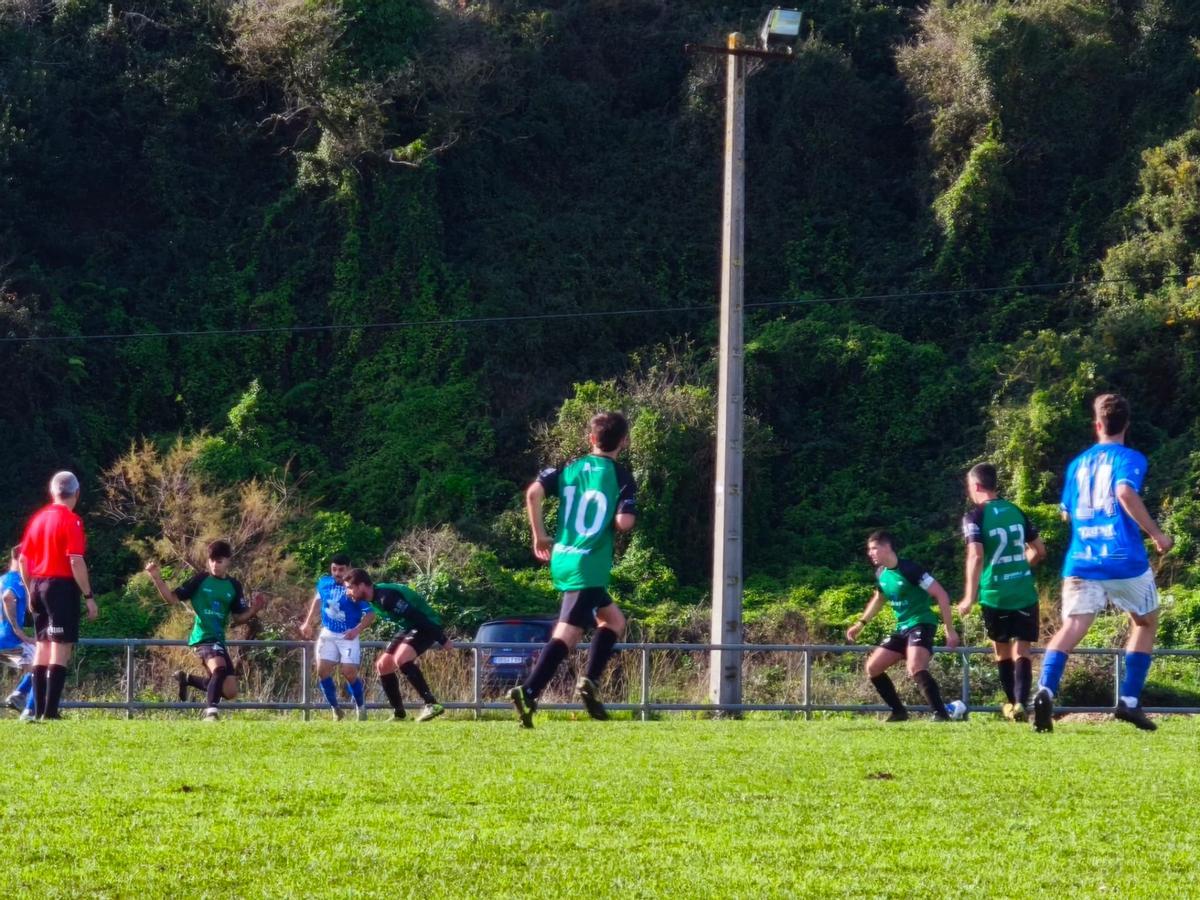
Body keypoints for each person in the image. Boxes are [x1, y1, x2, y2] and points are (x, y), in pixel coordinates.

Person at [1032, 393, 1173, 733]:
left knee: (1073, 626)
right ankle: (1128, 701)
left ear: (1097, 425)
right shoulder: (1130, 457)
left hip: (1082, 559)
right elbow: (1124, 492)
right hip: (1123, 559)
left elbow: (1066, 512)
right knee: (1145, 622)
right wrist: (1156, 533)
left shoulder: (1077, 464)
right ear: (1126, 425)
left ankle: (1046, 690)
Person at [508, 411, 637, 728]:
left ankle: (589, 682)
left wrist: (539, 535)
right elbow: (624, 523)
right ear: (624, 441)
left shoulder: (567, 468)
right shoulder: (621, 476)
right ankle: (530, 691)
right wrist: (624, 511)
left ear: (591, 438)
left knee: (613, 620)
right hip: (589, 563)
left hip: (563, 557)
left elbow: (533, 493)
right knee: (567, 633)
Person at [956, 463, 1046, 722]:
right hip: (1023, 592)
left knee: (1002, 652)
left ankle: (1011, 703)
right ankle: (1021, 704)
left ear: (975, 486)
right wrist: (1019, 566)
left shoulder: (974, 517)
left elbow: (975, 555)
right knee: (1023, 652)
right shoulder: (1016, 511)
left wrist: (969, 597)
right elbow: (1039, 551)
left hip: (995, 594)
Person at [145, 540, 267, 721]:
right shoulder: (200, 579)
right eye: (211, 560)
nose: (214, 564)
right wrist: (156, 577)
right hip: (203, 637)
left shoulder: (234, 585)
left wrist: (254, 609)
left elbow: (238, 618)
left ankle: (187, 679)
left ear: (228, 561)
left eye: (219, 561)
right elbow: (171, 599)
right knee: (219, 668)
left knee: (230, 691)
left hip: (219, 639)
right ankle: (211, 713)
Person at [847, 531, 959, 722]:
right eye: (869, 550)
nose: (870, 553)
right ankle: (899, 712)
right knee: (873, 667)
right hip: (902, 628)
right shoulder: (881, 573)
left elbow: (941, 594)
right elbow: (879, 598)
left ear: (887, 547)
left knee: (915, 666)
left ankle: (941, 715)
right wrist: (861, 623)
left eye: (874, 548)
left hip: (922, 623)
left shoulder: (910, 569)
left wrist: (949, 629)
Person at [17, 471, 97, 721]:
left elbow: (23, 558)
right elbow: (75, 560)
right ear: (76, 493)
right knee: (60, 648)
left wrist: (30, 588)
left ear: (52, 492)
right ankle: (51, 712)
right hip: (60, 586)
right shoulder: (71, 520)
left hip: (37, 583)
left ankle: (37, 710)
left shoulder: (38, 518)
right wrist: (88, 595)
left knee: (42, 646)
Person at [344, 569, 449, 722]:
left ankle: (432, 704)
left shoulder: (386, 598)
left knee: (402, 659)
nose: (348, 592)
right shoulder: (373, 599)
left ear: (361, 586)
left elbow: (417, 616)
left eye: (350, 587)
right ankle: (399, 714)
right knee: (383, 666)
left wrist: (442, 638)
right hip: (409, 627)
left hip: (427, 624)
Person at [299, 553, 374, 720]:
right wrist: (308, 622)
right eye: (334, 569)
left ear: (348, 569)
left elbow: (370, 614)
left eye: (341, 569)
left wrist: (357, 630)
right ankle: (335, 709)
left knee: (349, 672)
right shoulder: (324, 583)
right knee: (322, 670)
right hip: (328, 632)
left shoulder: (353, 587)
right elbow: (318, 600)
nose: (337, 573)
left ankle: (360, 707)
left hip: (348, 634)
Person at [0, 547, 36, 720]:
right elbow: (7, 597)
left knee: (38, 666)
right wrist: (18, 631)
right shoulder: (17, 580)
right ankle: (30, 709)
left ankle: (21, 697)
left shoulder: (3, 579)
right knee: (45, 665)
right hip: (9, 639)